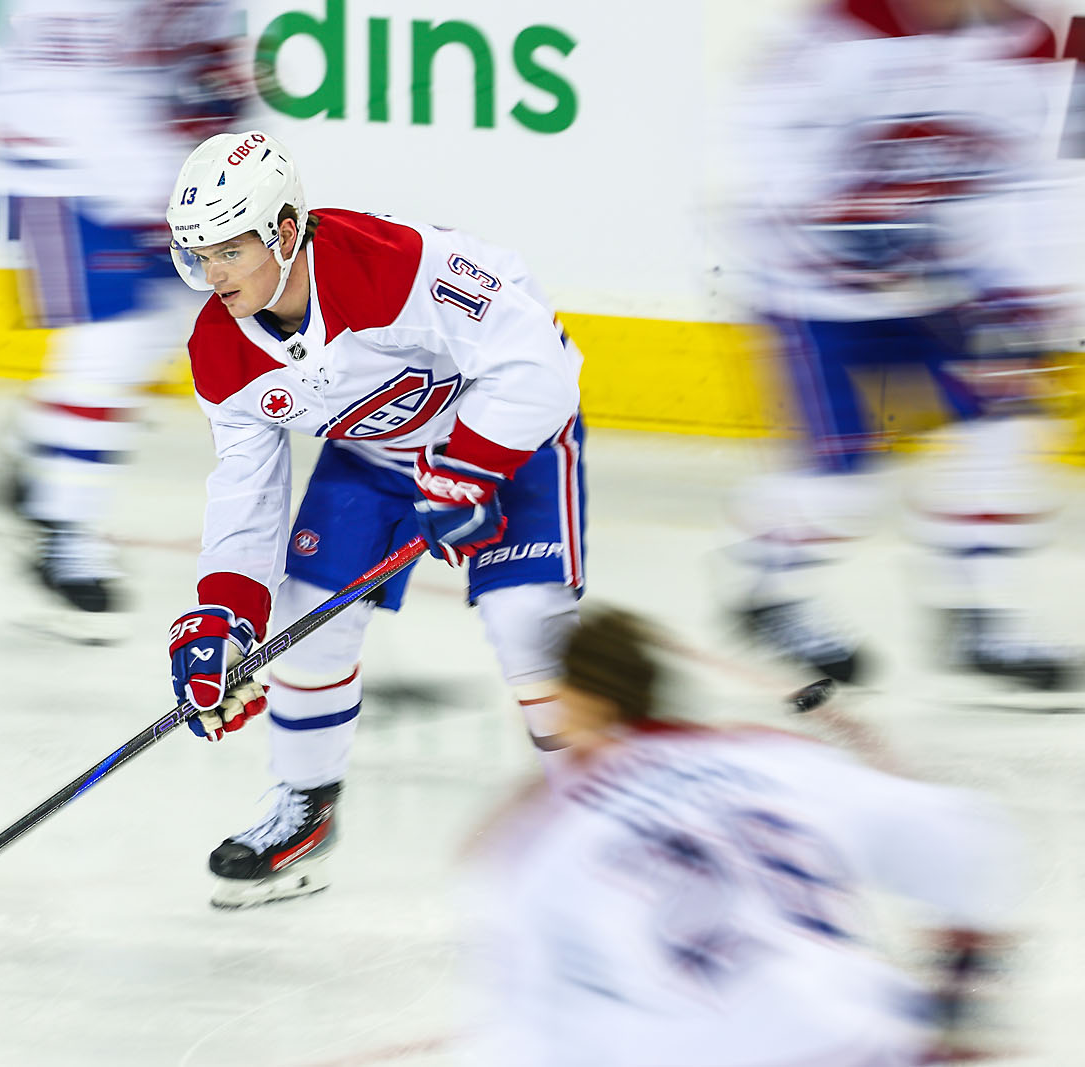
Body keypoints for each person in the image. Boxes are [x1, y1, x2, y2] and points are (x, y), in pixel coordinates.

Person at [162, 130, 586, 908]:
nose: (212, 274)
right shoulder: (221, 349)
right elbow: (246, 489)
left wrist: (469, 467)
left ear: (284, 231)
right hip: (377, 453)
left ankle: (602, 824)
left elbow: (539, 362)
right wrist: (225, 614)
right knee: (306, 616)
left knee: (526, 622)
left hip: (502, 430)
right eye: (198, 254)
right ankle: (305, 811)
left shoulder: (392, 267)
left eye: (229, 251)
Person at [459, 606, 1020, 1066]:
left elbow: (531, 1030)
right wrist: (959, 992)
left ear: (582, 702)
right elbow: (958, 830)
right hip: (864, 1041)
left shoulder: (540, 834)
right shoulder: (775, 757)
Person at [723, 0, 1080, 694]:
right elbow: (762, 162)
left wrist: (1025, 290)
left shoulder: (1030, 40)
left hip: (949, 290)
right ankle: (767, 593)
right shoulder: (835, 35)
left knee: (1005, 434)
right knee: (843, 482)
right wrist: (839, 241)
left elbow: (1031, 178)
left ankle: (980, 618)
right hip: (819, 297)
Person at [0, 0, 252, 642]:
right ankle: (63, 537)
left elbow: (207, 64)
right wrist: (157, 188)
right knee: (116, 342)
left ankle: (36, 460)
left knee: (168, 324)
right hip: (56, 164)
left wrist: (219, 115)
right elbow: (70, 88)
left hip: (138, 156)